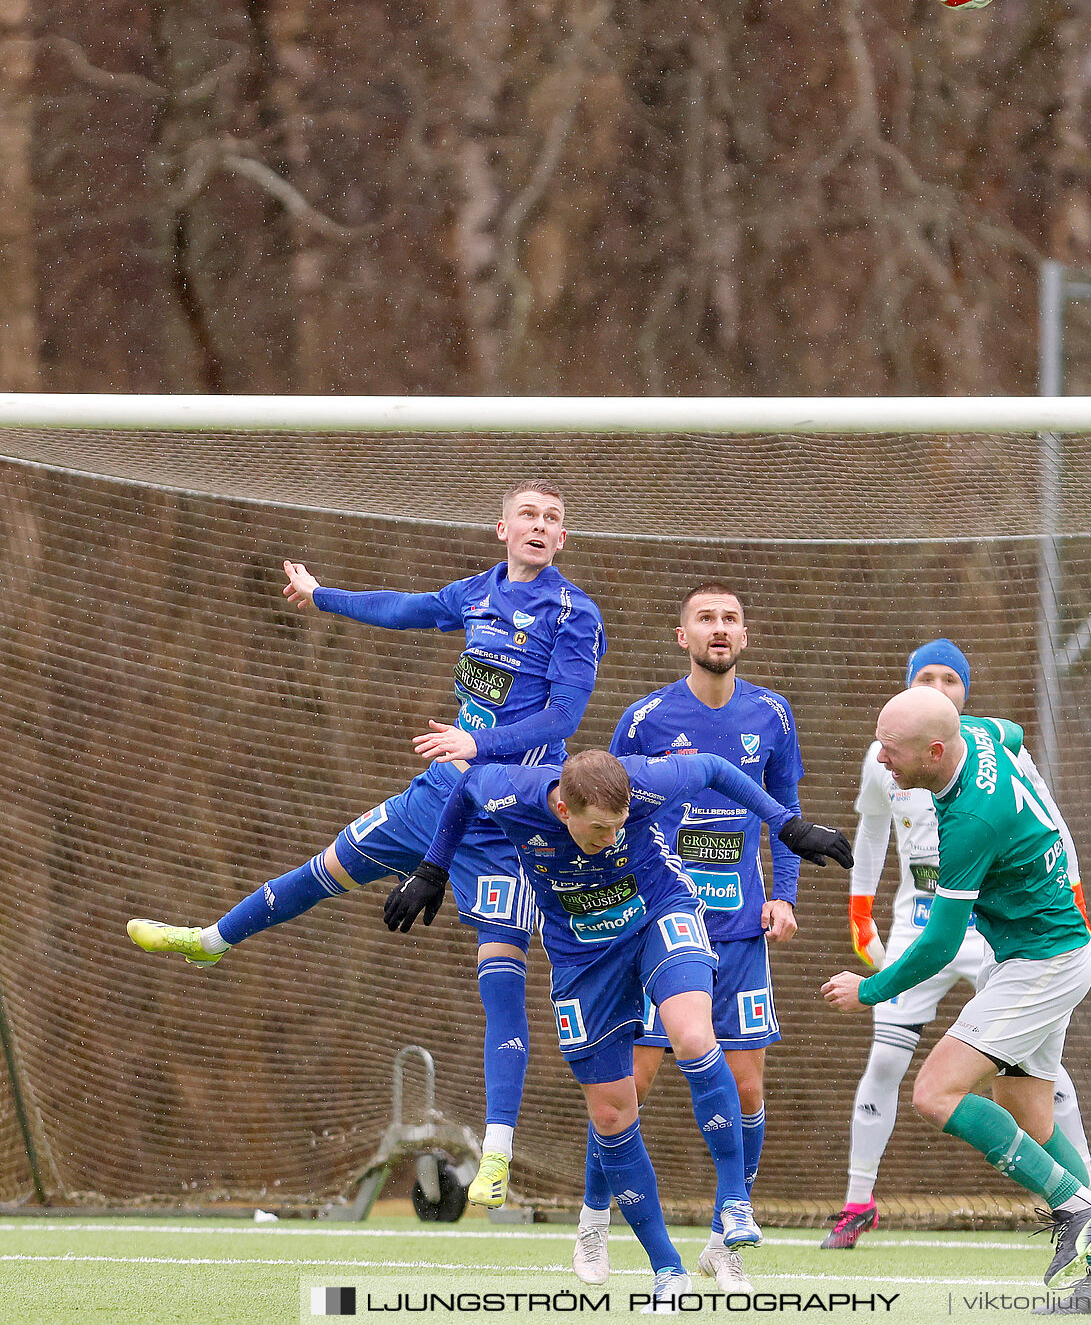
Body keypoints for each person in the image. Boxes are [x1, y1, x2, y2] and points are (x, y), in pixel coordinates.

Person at [126, 480, 603, 1215]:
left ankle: (499, 1154)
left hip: (510, 820)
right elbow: (406, 608)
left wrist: (480, 741)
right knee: (329, 868)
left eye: (553, 520)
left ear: (563, 539)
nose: (540, 527)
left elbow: (565, 713)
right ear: (502, 529)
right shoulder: (477, 592)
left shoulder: (573, 613)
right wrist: (323, 596)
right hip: (438, 796)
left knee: (501, 975)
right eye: (529, 516)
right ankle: (213, 939)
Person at [382, 748, 852, 1310]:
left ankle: (733, 1204)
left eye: (620, 824)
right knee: (611, 1113)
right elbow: (463, 791)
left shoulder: (649, 782)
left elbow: (718, 770)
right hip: (581, 956)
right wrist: (433, 869)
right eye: (599, 829)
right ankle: (667, 1268)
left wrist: (789, 824)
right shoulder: (511, 791)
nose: (611, 837)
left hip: (659, 912)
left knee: (696, 1038)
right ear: (563, 808)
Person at [822, 688, 1091, 1312]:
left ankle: (1081, 1206)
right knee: (1032, 1123)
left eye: (893, 751)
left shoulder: (971, 823)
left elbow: (938, 942)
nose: (881, 760)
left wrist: (871, 990)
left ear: (936, 751)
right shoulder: (981, 735)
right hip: (1041, 954)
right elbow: (1013, 732)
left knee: (935, 1093)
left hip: (1041, 965)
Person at [608, 582, 803, 1289]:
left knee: (748, 1085)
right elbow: (608, 810)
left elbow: (787, 814)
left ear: (744, 637)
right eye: (705, 619)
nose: (719, 629)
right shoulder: (645, 719)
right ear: (681, 636)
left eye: (730, 620)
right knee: (630, 1082)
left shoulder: (772, 714)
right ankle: (596, 1221)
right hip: (662, 930)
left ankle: (727, 1227)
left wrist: (782, 897)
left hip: (741, 936)